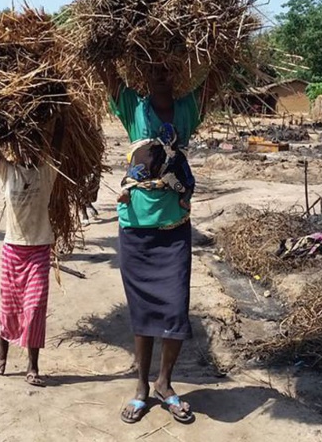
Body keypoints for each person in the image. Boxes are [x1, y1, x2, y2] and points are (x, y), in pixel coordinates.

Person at [95, 61, 219, 425]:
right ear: (144, 75)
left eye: (166, 70)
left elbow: (216, 78)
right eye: (153, 70)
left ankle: (164, 383)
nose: (161, 76)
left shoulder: (187, 109)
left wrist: (226, 44)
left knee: (175, 307)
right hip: (135, 224)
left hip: (174, 224)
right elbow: (106, 71)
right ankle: (141, 387)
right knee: (143, 311)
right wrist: (103, 46)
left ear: (176, 73)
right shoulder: (133, 107)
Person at [0, 118, 63, 388]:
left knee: (34, 308)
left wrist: (58, 116)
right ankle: (2, 345)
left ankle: (33, 365)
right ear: (17, 147)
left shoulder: (47, 171)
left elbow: (58, 143)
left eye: (34, 146)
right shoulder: (8, 171)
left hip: (39, 248)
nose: (29, 151)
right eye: (24, 146)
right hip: (13, 249)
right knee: (10, 307)